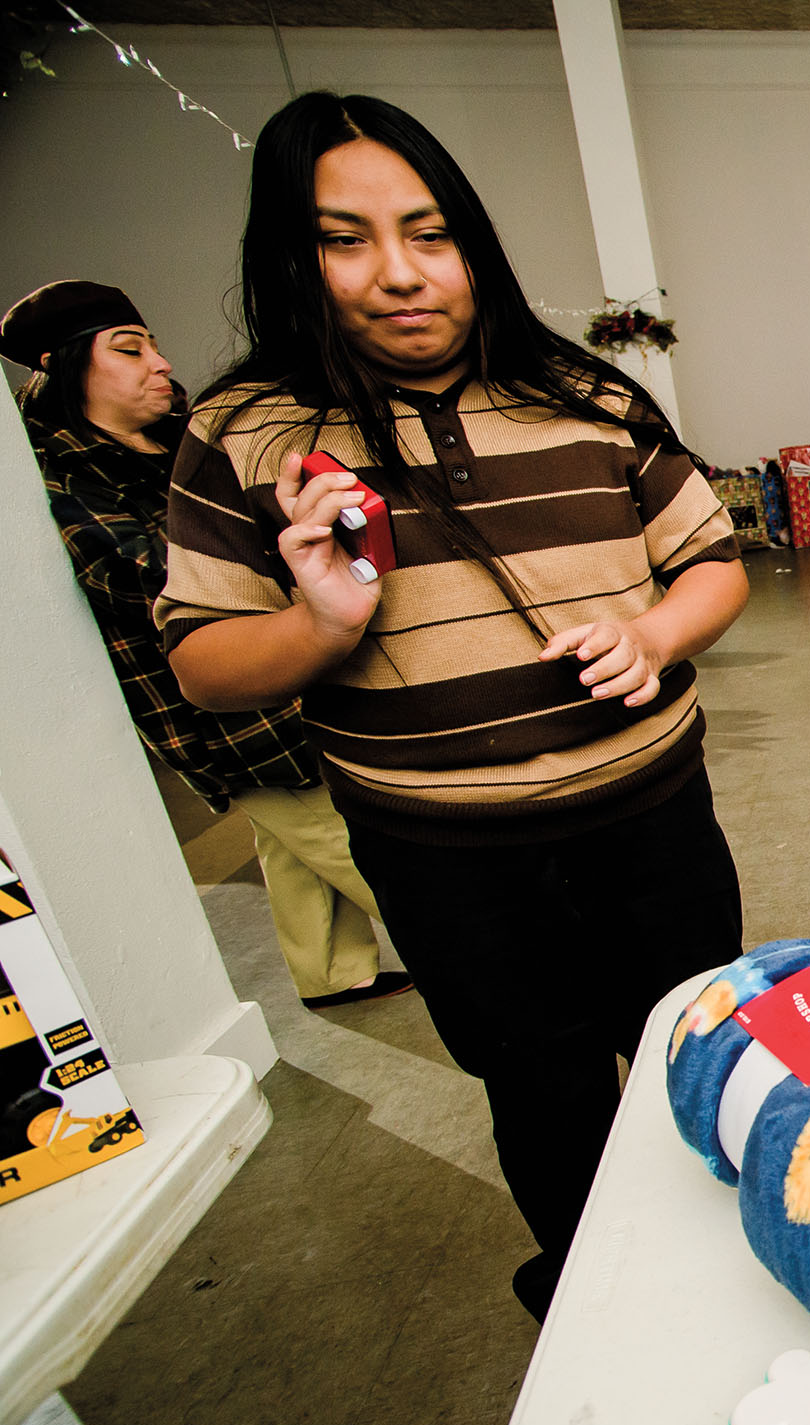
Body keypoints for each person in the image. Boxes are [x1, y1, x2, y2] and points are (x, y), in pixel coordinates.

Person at [157, 93, 749, 1318]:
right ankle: (606, 1308)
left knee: (706, 1052)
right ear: (291, 255)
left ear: (473, 243)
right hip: (446, 855)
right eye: (344, 239)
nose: (397, 275)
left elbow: (713, 563)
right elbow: (202, 666)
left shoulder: (589, 397)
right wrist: (322, 620)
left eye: (430, 234)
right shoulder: (243, 432)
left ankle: (741, 1279)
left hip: (649, 819)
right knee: (543, 1092)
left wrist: (651, 632)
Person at [3, 279, 410, 1012]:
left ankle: (330, 970)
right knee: (344, 836)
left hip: (290, 676)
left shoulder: (180, 444)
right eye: (129, 349)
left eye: (154, 343)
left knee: (289, 837)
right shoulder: (61, 489)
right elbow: (174, 578)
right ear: (61, 368)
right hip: (229, 718)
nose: (159, 363)